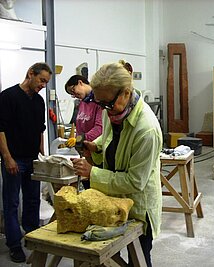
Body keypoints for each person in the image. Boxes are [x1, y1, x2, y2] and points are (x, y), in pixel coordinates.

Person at [71, 61, 162, 267]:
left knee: (139, 256)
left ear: (126, 93)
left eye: (108, 104)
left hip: (138, 206)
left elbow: (135, 181)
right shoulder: (110, 110)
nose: (104, 109)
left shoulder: (147, 130)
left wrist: (92, 173)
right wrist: (96, 147)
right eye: (99, 103)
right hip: (112, 200)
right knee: (110, 255)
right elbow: (109, 140)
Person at [0, 62, 52, 263]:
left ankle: (33, 238)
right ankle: (14, 244)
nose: (43, 85)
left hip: (33, 160)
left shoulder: (39, 101)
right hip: (14, 159)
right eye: (41, 80)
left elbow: (41, 128)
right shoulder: (8, 97)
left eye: (46, 82)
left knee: (33, 201)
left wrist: (43, 155)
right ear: (30, 74)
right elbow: (1, 129)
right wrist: (7, 158)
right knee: (12, 203)